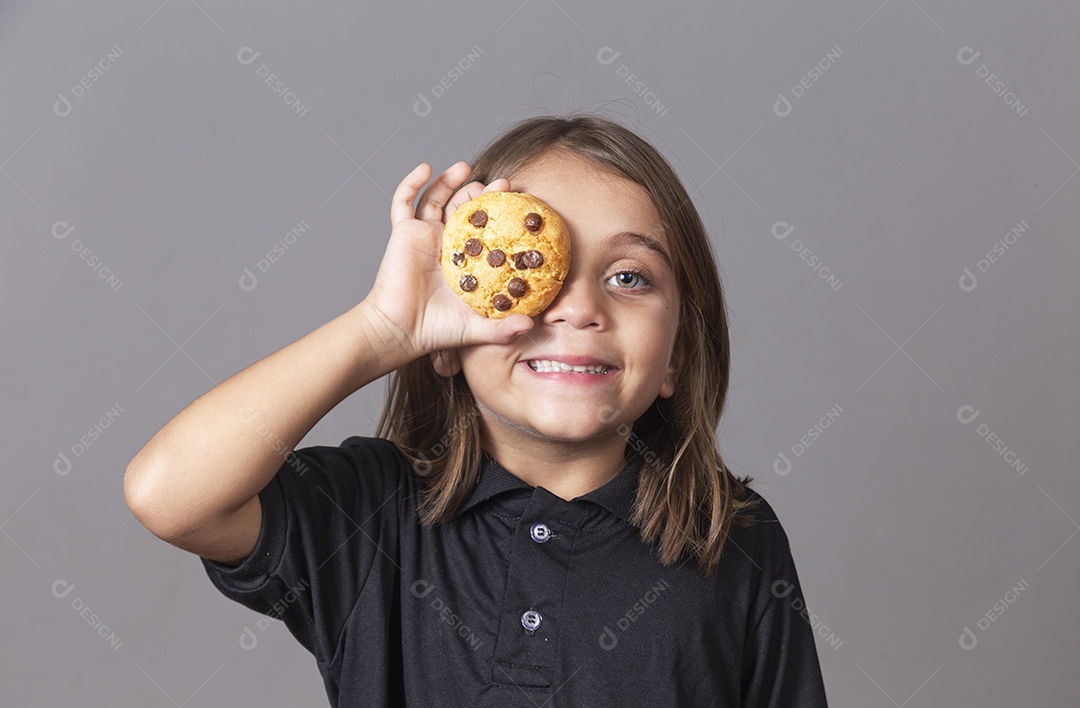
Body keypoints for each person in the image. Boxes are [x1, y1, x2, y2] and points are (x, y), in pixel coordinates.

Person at [124, 112, 829, 707]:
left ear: (675, 356)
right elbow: (171, 495)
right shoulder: (375, 517)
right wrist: (381, 331)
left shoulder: (731, 542)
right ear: (447, 336)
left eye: (628, 276)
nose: (580, 307)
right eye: (529, 267)